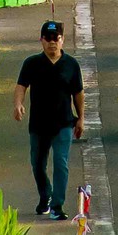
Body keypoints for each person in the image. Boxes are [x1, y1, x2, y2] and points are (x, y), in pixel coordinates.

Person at [14, 20, 85, 221]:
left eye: (56, 38)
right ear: (41, 40)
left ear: (62, 40)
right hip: (38, 124)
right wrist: (18, 104)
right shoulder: (32, 63)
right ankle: (45, 195)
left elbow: (78, 93)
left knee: (61, 163)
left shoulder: (71, 65)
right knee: (38, 164)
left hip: (63, 123)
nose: (52, 43)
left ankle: (57, 205)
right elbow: (21, 86)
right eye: (48, 38)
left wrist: (81, 119)